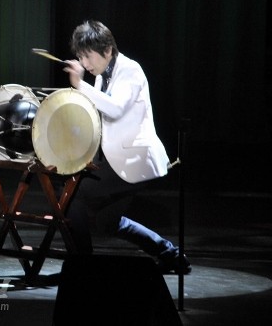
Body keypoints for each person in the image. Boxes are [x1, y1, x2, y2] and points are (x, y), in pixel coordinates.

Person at [62, 20, 190, 274]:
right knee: (107, 222)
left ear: (107, 50)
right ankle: (172, 255)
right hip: (118, 158)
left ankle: (82, 266)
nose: (84, 64)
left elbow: (115, 109)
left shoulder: (131, 70)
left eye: (88, 56)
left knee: (73, 195)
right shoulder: (101, 77)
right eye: (81, 57)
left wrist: (80, 85)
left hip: (137, 158)